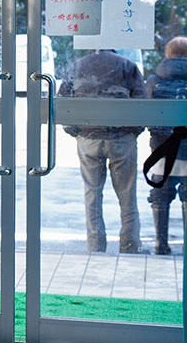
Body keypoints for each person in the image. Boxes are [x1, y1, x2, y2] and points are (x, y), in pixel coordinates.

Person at [58, 49, 147, 254]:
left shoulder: (78, 65)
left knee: (92, 194)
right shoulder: (127, 65)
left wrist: (77, 131)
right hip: (121, 139)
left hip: (89, 137)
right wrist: (133, 131)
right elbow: (141, 102)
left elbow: (62, 101)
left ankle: (96, 246)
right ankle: (130, 245)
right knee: (127, 194)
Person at [146, 36, 187, 255]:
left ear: (168, 54)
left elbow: (147, 113)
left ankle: (161, 245)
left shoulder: (155, 80)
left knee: (161, 196)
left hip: (163, 149)